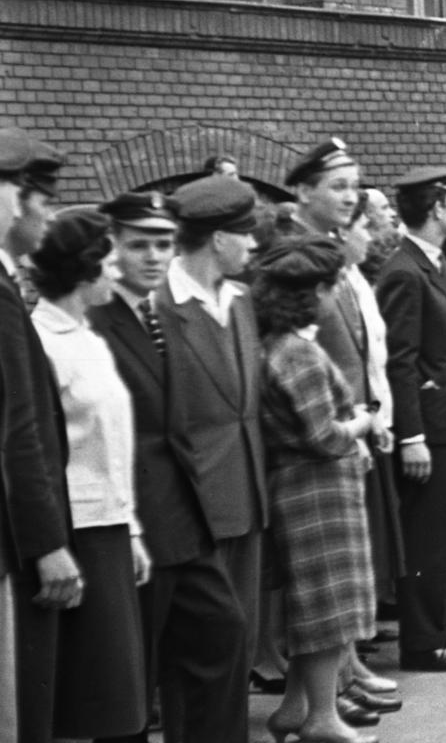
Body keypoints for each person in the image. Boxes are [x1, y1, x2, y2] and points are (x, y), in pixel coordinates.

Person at [91, 190, 251, 743]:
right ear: (112, 247)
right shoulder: (98, 321)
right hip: (137, 522)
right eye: (140, 245)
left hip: (184, 515)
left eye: (163, 244)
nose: (154, 256)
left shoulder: (153, 314)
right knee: (134, 674)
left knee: (223, 633)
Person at [252, 235, 379, 743]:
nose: (334, 296)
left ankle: (295, 707)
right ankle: (323, 719)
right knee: (328, 608)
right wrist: (364, 424)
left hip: (305, 487)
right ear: (311, 294)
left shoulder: (277, 347)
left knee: (314, 604)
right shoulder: (298, 353)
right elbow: (324, 436)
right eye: (329, 287)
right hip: (316, 491)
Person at [31, 210, 151, 740]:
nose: (115, 273)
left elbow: (114, 447)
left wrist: (132, 531)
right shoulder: (41, 342)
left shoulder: (88, 337)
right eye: (107, 263)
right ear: (83, 271)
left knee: (118, 691)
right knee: (95, 695)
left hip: (109, 529)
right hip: (74, 533)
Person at [159, 174, 271, 711]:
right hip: (196, 502)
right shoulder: (160, 307)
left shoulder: (241, 299)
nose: (253, 246)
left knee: (239, 637)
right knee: (199, 651)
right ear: (219, 239)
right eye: (245, 235)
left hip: (247, 493)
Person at [376, 167, 446, 673]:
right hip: (433, 429)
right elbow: (400, 359)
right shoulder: (404, 270)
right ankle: (424, 641)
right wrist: (413, 435)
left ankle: (444, 633)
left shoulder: (430, 263)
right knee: (430, 540)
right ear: (435, 208)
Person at [0, 129, 78, 743]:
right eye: (42, 200)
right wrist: (47, 542)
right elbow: (17, 431)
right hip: (16, 544)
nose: (48, 215)